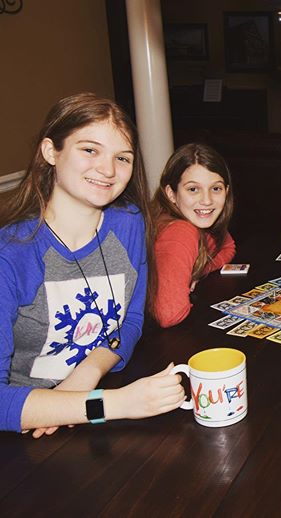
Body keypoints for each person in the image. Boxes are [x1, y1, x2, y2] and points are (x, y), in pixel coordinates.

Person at [0, 93, 185, 436]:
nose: (109, 170)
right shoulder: (10, 253)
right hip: (28, 432)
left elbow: (130, 319)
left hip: (95, 404)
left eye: (123, 157)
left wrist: (88, 372)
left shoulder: (130, 222)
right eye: (90, 150)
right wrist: (114, 404)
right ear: (50, 151)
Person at [151, 143, 235, 328]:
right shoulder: (181, 231)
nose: (206, 200)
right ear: (171, 194)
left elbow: (228, 247)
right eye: (193, 189)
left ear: (226, 191)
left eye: (216, 189)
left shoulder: (195, 223)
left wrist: (196, 269)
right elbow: (169, 314)